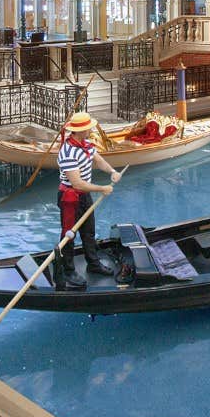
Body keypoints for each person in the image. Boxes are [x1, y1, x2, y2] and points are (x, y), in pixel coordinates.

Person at [55, 112, 121, 289]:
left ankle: (93, 263)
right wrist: (102, 189)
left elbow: (98, 161)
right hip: (70, 197)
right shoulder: (67, 152)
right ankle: (68, 271)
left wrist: (112, 171)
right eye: (88, 128)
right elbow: (77, 183)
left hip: (84, 195)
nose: (91, 130)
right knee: (69, 235)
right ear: (79, 131)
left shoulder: (86, 145)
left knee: (89, 231)